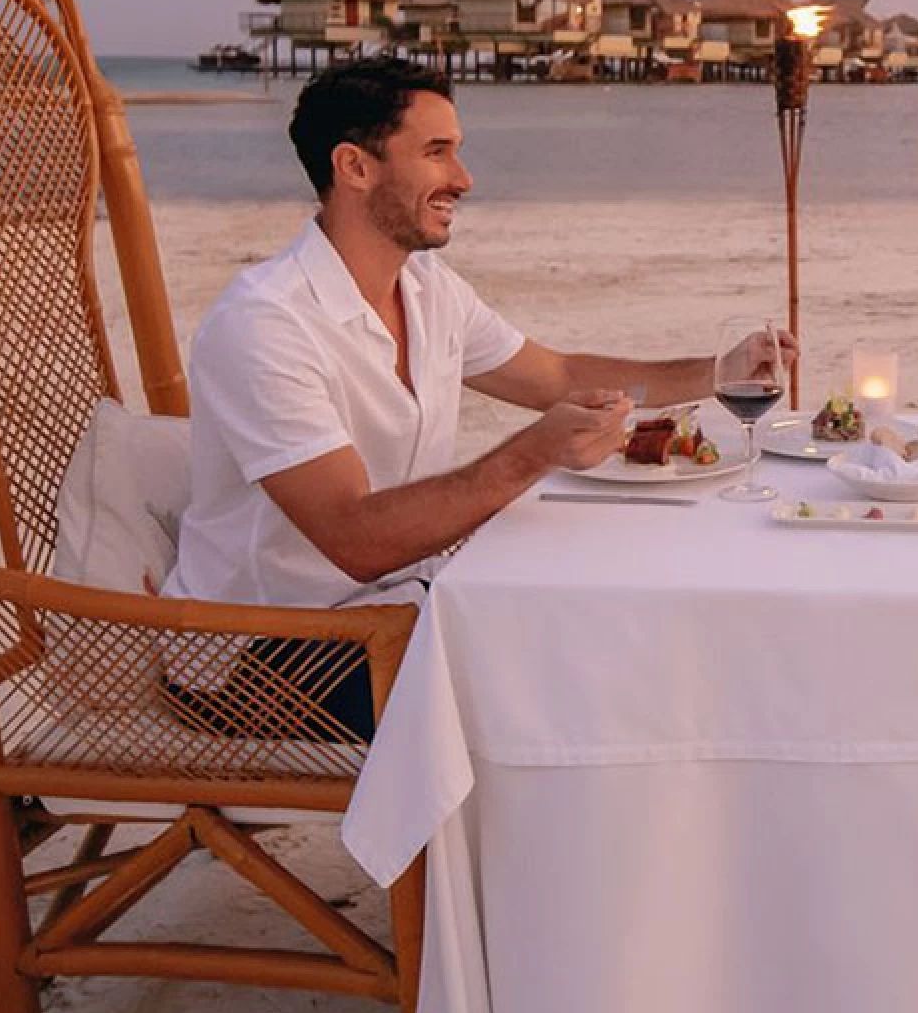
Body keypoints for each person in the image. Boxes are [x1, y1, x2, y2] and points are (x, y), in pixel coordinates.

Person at [163, 56, 789, 733]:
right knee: (560, 702)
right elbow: (354, 540)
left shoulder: (430, 290)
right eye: (437, 153)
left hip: (398, 607)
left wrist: (719, 370)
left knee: (613, 634)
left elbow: (555, 377)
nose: (464, 179)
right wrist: (531, 454)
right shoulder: (265, 324)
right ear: (355, 167)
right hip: (265, 654)